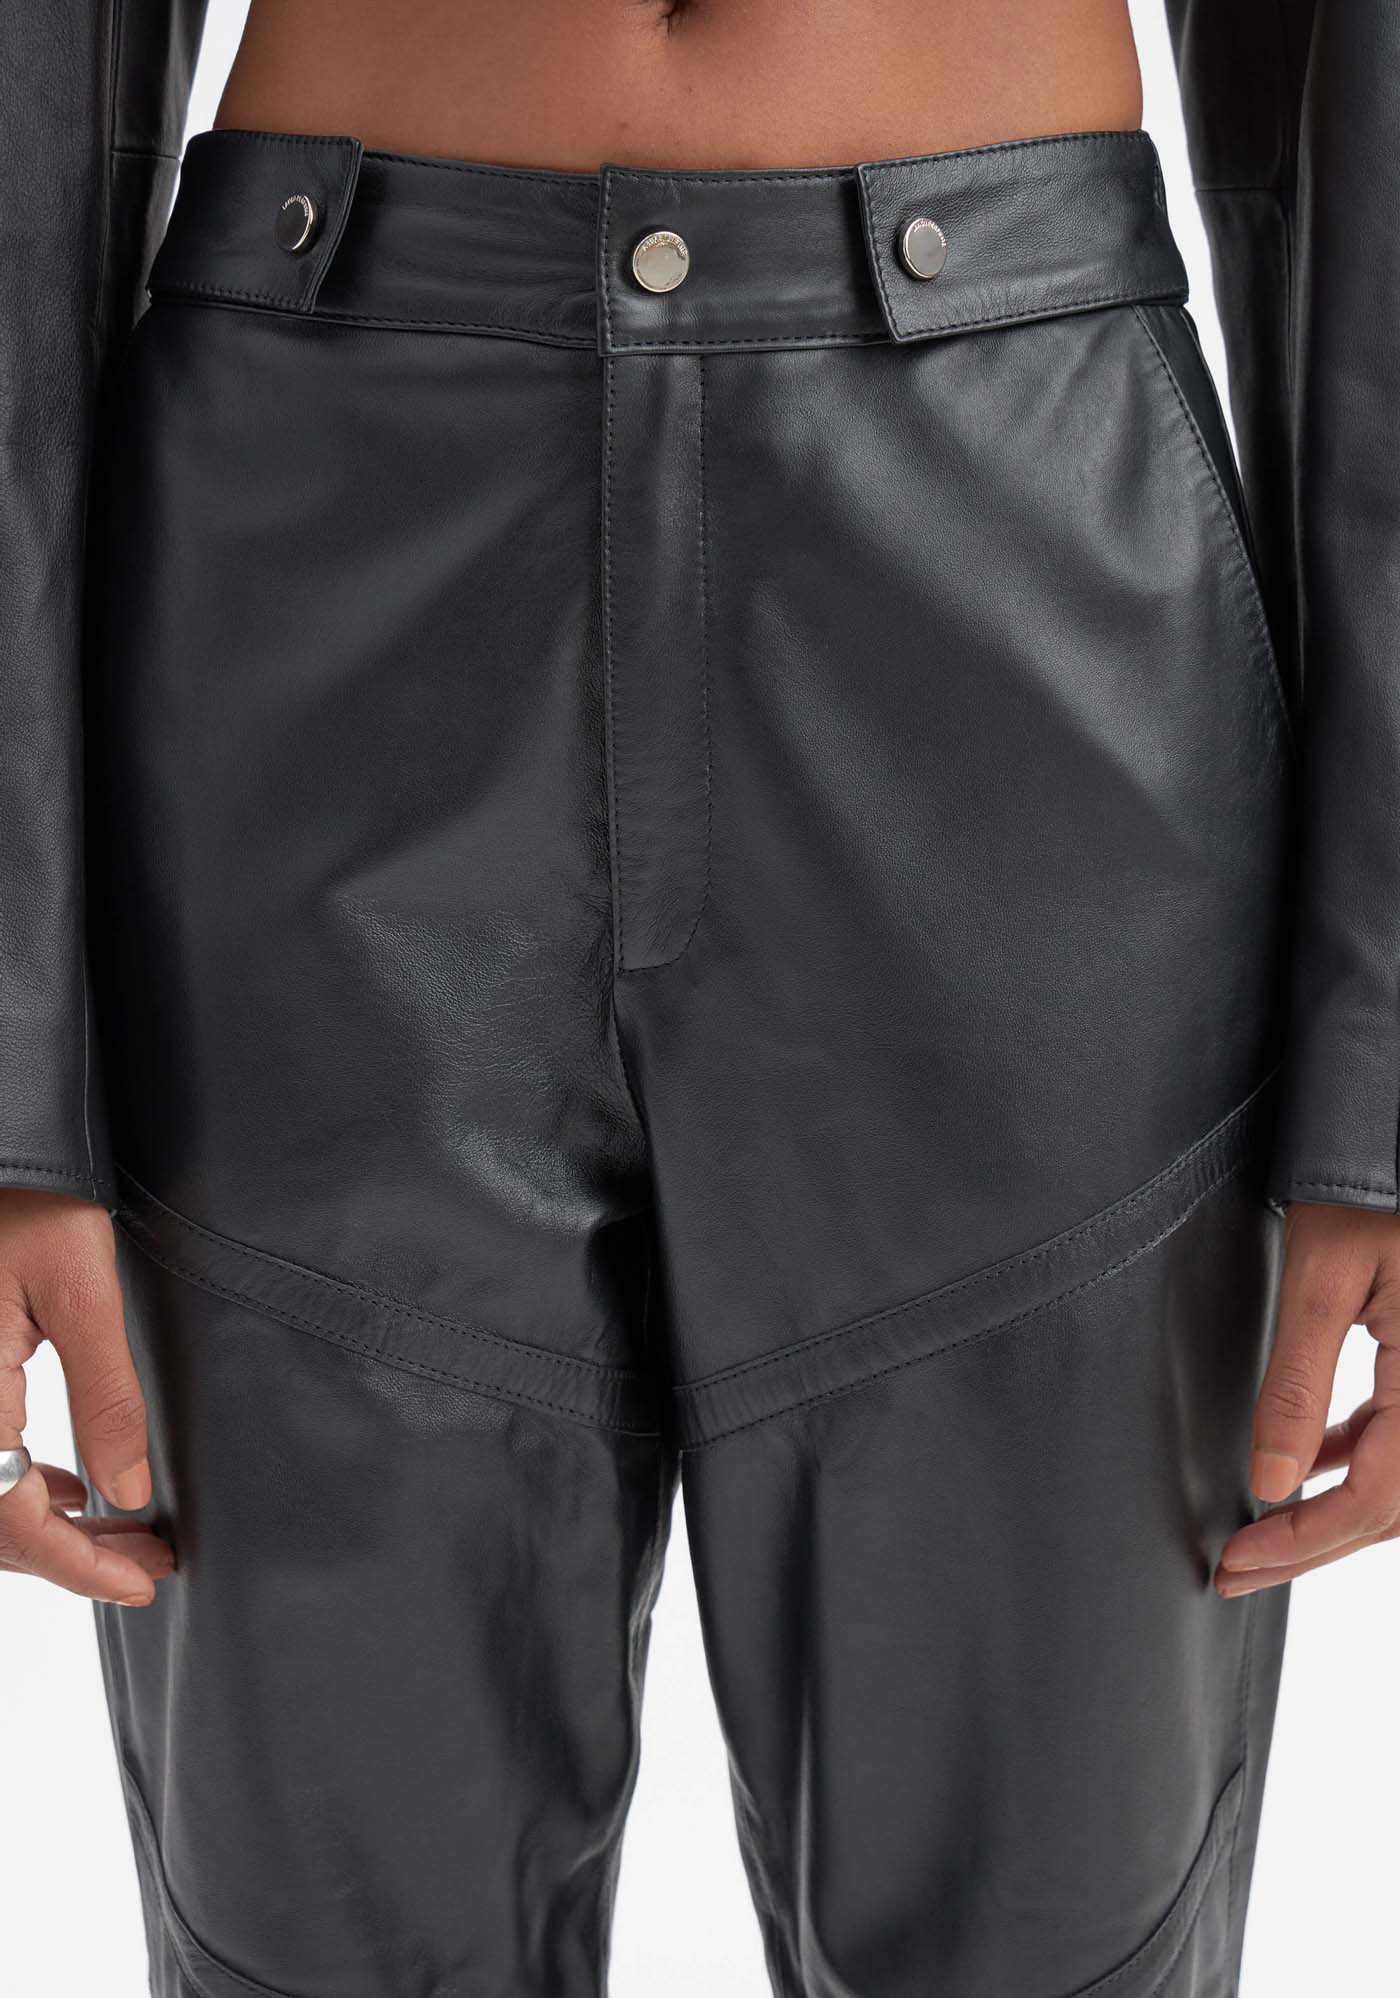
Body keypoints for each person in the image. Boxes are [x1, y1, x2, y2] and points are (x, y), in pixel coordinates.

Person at [2, 2, 1397, 1993]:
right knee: (319, 1932)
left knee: (1053, 1933)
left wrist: (1382, 1060)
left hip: (1019, 613)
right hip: (308, 617)